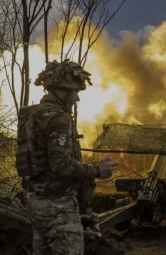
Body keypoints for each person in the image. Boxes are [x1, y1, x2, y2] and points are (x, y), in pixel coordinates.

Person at [23, 59, 119, 255]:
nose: (77, 98)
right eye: (75, 91)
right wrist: (98, 171)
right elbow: (61, 164)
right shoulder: (59, 118)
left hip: (37, 204)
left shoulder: (32, 115)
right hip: (60, 209)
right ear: (63, 89)